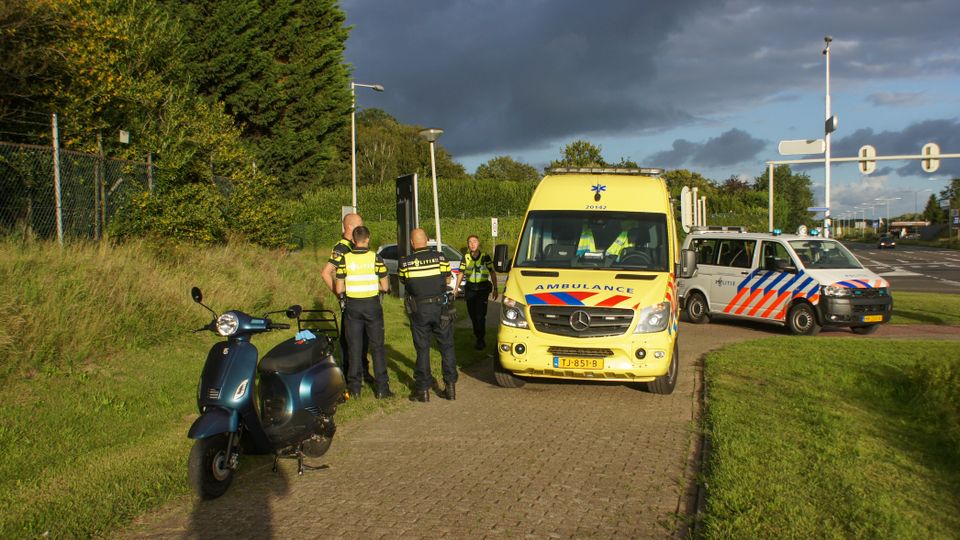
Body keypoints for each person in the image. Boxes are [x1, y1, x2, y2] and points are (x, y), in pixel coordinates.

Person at [399, 228, 458, 402]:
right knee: (446, 347)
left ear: (412, 243)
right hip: (440, 308)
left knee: (422, 349)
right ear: (427, 240)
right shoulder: (440, 258)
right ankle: (450, 388)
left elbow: (404, 281)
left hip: (419, 310)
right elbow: (448, 279)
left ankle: (423, 390)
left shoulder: (405, 263)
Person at [334, 226, 392, 399]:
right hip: (372, 306)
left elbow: (339, 289)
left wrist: (352, 286)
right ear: (368, 239)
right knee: (377, 347)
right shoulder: (376, 258)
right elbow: (385, 287)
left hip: (353, 307)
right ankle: (382, 389)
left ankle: (355, 389)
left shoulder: (344, 259)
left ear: (353, 240)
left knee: (354, 347)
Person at [321, 213, 374, 385]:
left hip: (363, 300)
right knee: (349, 339)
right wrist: (339, 294)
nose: (362, 228)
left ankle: (364, 371)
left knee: (364, 338)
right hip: (350, 302)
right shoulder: (342, 247)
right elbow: (326, 273)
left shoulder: (354, 245)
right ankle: (348, 375)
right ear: (350, 227)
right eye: (360, 224)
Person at [455, 235, 498, 350]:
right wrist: (456, 288)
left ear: (478, 243)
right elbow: (461, 273)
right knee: (473, 315)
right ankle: (477, 334)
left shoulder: (485, 256)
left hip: (482, 290)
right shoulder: (465, 257)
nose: (472, 244)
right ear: (468, 245)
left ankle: (480, 339)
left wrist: (496, 289)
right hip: (470, 289)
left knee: (480, 316)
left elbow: (492, 273)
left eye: (474, 241)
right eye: (470, 242)